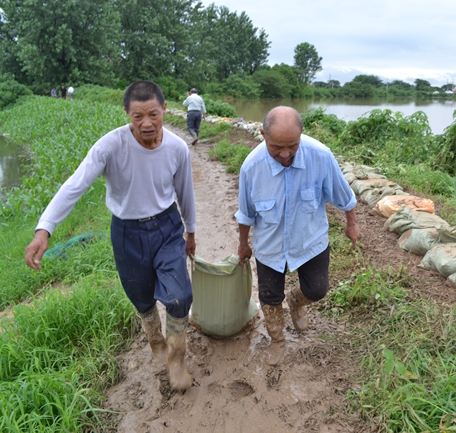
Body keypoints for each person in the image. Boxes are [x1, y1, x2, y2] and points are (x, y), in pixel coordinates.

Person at [24, 80, 197, 392]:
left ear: (165, 110)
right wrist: (44, 228)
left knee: (180, 295)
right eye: (137, 117)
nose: (147, 123)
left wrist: (191, 231)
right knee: (141, 299)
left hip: (167, 226)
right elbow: (75, 185)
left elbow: (186, 194)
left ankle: (176, 357)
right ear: (126, 114)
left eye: (153, 115)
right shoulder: (109, 146)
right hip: (127, 231)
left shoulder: (177, 148)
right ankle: (155, 339)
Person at [236, 106, 360, 365]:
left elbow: (343, 194)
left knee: (317, 289)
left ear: (302, 135)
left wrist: (352, 224)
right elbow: (246, 213)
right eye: (276, 147)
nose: (285, 154)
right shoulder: (251, 167)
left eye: (292, 146)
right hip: (270, 246)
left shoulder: (321, 156)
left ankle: (296, 301)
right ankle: (277, 341)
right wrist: (243, 244)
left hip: (310, 240)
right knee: (269, 298)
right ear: (262, 135)